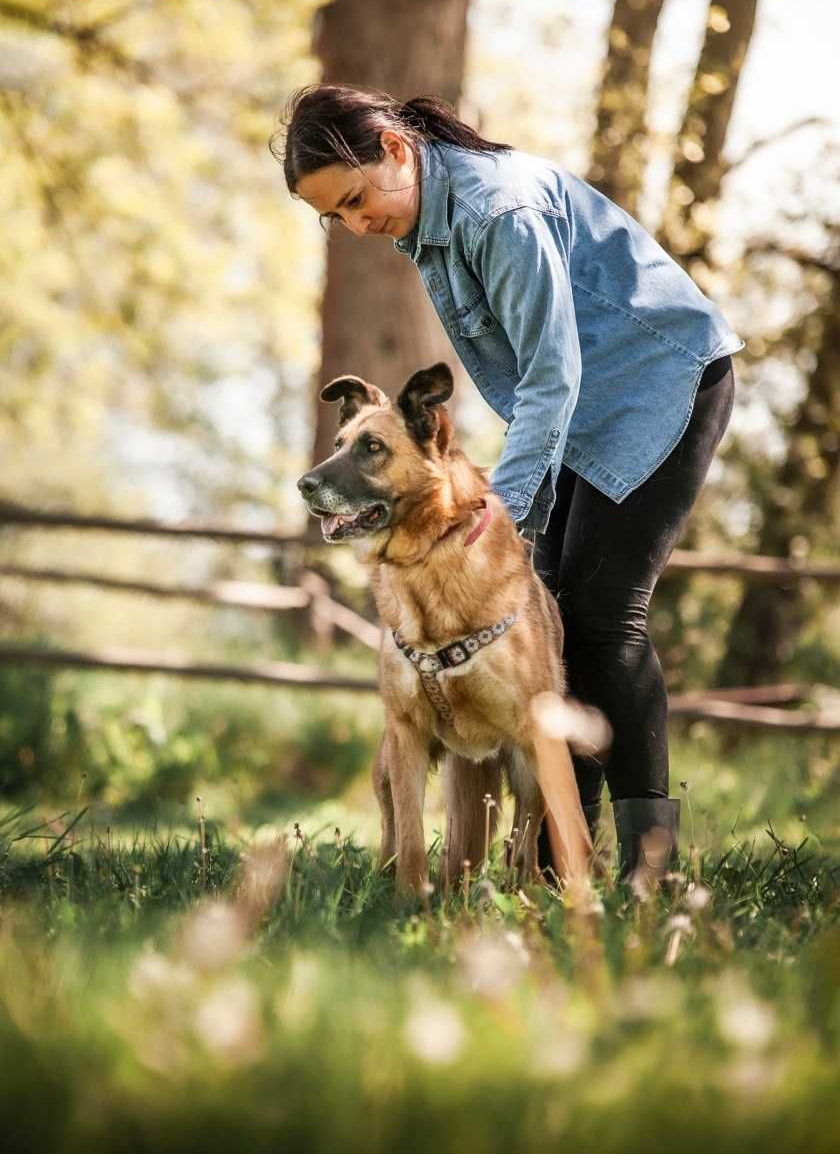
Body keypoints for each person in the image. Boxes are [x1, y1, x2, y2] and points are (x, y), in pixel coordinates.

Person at [273, 83, 742, 880]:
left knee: (600, 615)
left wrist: (501, 520)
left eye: (355, 200)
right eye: (335, 218)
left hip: (662, 383)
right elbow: (541, 383)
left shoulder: (497, 213)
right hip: (583, 409)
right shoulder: (425, 220)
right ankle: (561, 858)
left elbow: (551, 379)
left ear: (394, 150)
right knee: (548, 624)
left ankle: (649, 866)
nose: (357, 225)